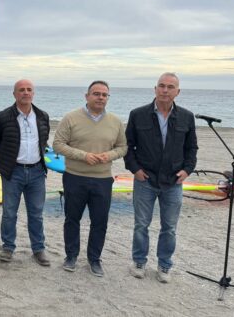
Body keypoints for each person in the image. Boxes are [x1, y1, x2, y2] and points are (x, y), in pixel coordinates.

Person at [125, 72, 197, 283]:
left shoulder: (186, 116)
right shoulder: (137, 114)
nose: (165, 90)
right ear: (155, 88)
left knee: (170, 227)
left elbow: (191, 148)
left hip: (173, 181)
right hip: (145, 179)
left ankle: (164, 265)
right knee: (141, 224)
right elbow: (128, 146)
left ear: (178, 92)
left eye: (170, 87)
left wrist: (187, 170)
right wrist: (135, 169)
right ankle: (139, 261)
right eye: (162, 86)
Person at [52, 80, 127, 277]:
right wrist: (83, 155)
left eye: (104, 94)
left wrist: (108, 156)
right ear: (87, 96)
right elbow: (58, 145)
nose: (100, 97)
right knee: (72, 219)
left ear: (108, 98)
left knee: (100, 221)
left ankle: (94, 259)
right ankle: (71, 256)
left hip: (102, 179)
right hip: (75, 177)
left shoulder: (115, 121)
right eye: (96, 93)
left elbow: (123, 147)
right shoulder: (70, 118)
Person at [0, 79, 51, 266]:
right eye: (21, 90)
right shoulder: (2, 117)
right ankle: (8, 247)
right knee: (9, 212)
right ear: (14, 94)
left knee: (36, 213)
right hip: (13, 172)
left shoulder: (42, 116)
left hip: (37, 172)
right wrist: (7, 159)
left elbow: (44, 139)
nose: (25, 93)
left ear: (33, 93)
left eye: (29, 90)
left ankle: (38, 249)